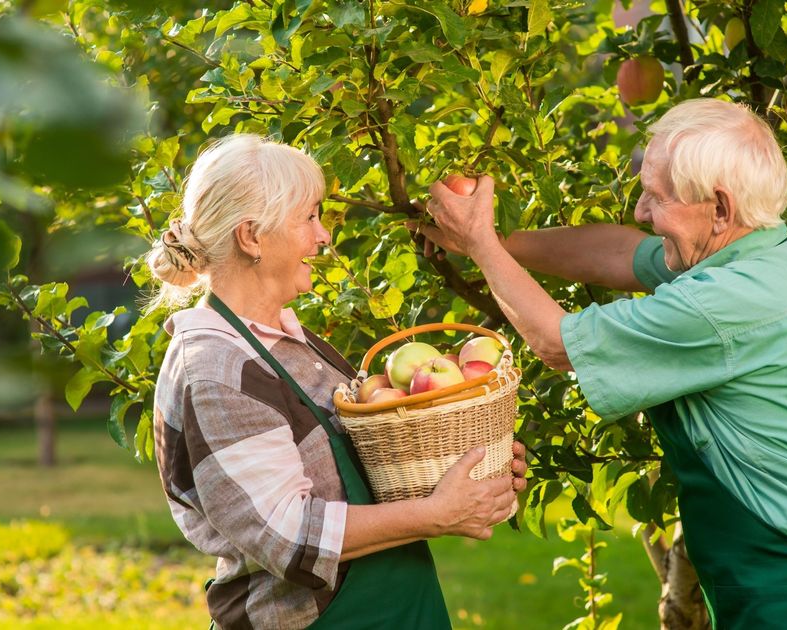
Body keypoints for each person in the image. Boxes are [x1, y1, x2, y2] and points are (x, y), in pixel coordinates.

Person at [421, 98, 787, 628]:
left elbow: (556, 344)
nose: (641, 211)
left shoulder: (723, 304)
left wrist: (482, 243)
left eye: (657, 197)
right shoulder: (781, 260)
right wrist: (491, 242)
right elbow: (618, 253)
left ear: (720, 208)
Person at [146, 134, 526, 629]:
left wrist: (473, 468)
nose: (323, 236)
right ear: (251, 237)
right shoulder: (217, 371)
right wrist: (438, 512)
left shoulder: (289, 341)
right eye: (308, 218)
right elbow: (290, 536)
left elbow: (369, 474)